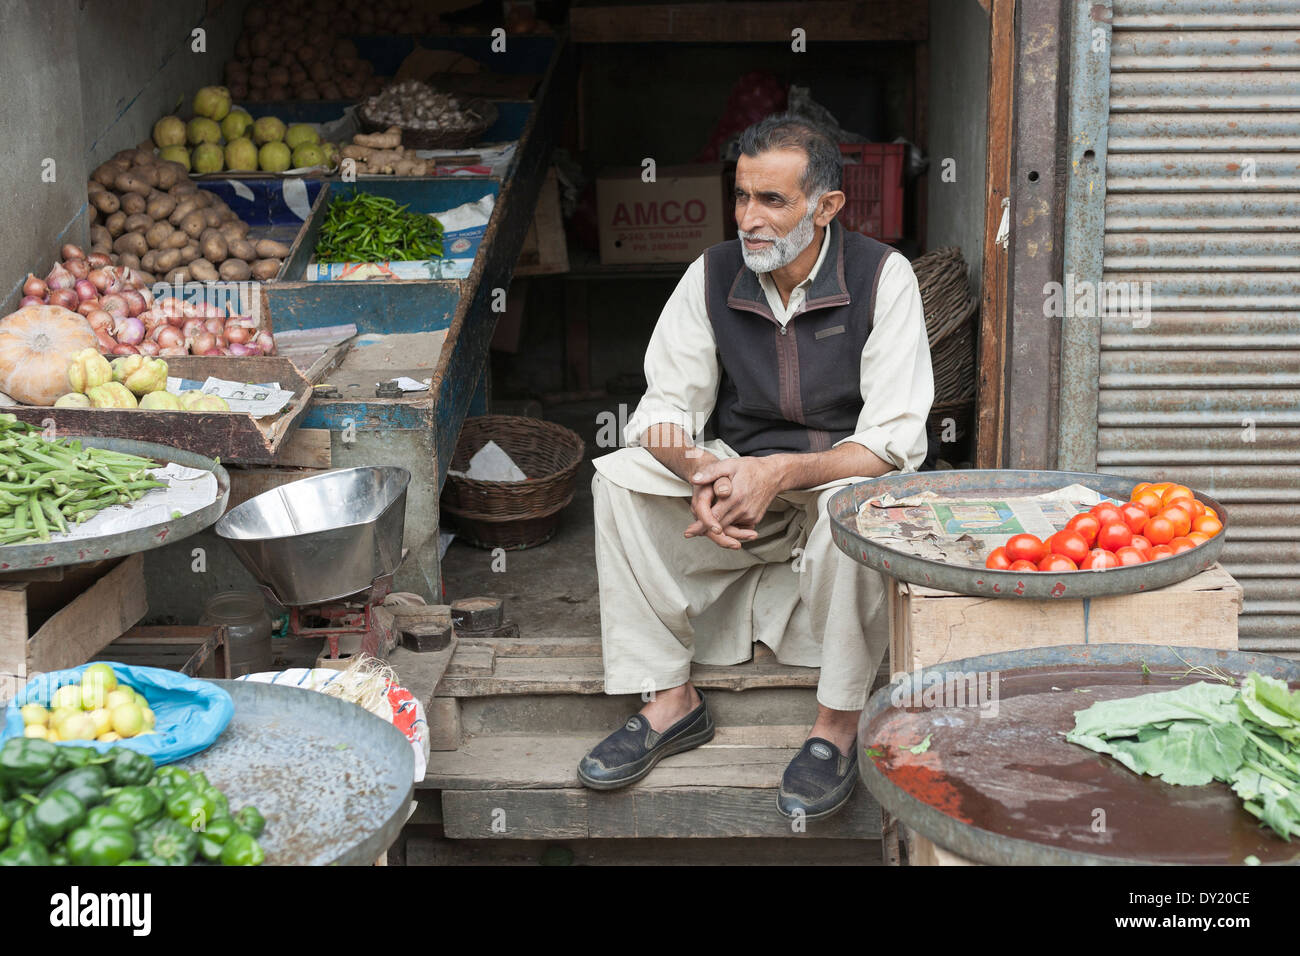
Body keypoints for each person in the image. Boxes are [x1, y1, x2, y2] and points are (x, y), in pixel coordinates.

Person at [579, 113, 934, 820]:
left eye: (773, 201)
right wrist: (702, 473)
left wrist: (777, 473)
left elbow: (892, 442)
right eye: (742, 196)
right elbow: (662, 413)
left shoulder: (881, 277)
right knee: (618, 476)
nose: (750, 218)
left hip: (834, 475)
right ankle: (669, 699)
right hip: (740, 477)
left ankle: (835, 726)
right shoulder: (711, 273)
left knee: (866, 505)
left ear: (827, 206)